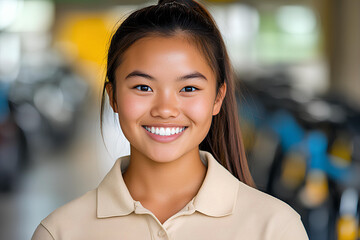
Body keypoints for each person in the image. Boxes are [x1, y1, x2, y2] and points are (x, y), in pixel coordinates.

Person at [32, 0, 309, 239]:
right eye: (143, 87)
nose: (165, 109)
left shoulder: (275, 228)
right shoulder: (61, 232)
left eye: (188, 88)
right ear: (113, 96)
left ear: (218, 98)